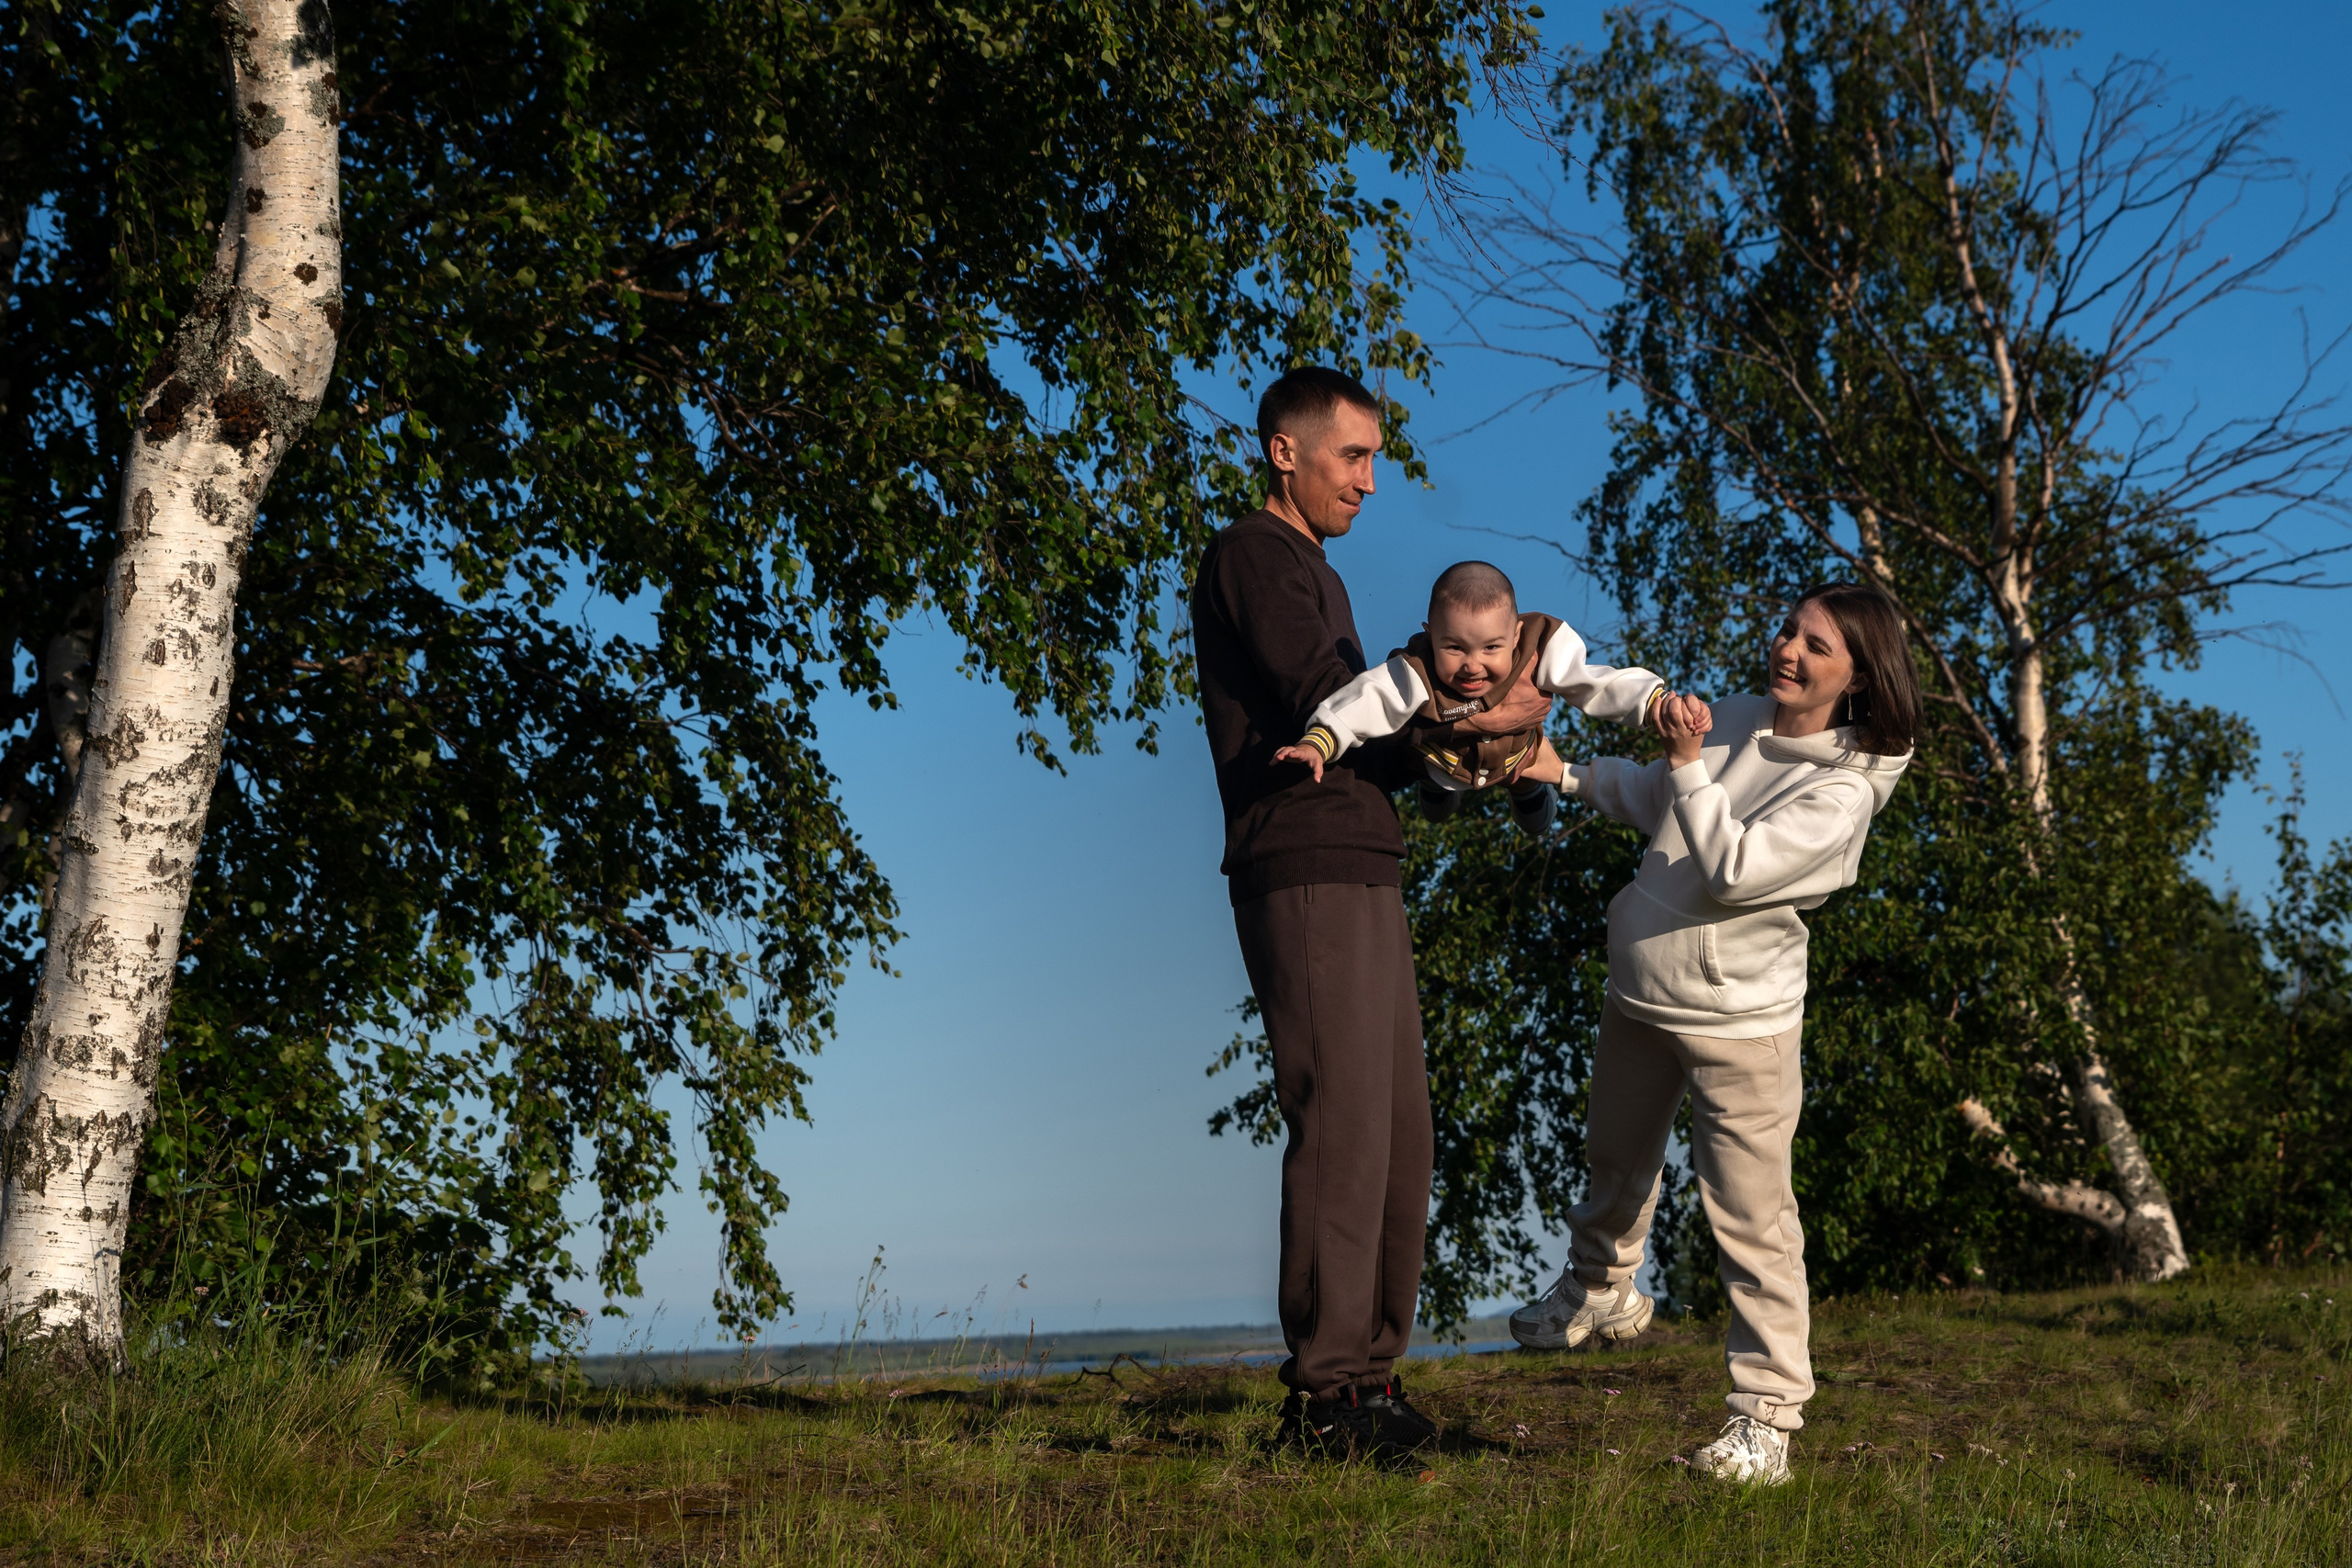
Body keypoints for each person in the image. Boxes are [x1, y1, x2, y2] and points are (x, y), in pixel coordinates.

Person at [1191, 367, 1550, 1459]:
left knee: (1400, 1135)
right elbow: (1324, 697)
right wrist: (1473, 706)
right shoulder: (1254, 556)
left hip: (1363, 859)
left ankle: (1374, 1383)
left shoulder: (1316, 568)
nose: (1371, 482)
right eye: (1353, 456)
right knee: (1342, 1120)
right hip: (1299, 863)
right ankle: (1325, 1399)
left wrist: (1483, 739)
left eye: (1375, 460)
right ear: (1282, 452)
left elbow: (1379, 742)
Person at [1507, 581, 1921, 1486]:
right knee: (1612, 1160)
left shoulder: (1842, 790)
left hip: (1742, 1026)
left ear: (1856, 678)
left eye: (1816, 646)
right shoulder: (1736, 717)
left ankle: (1764, 1424)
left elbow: (1732, 870)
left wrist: (1691, 764)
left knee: (1751, 1224)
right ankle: (1600, 1291)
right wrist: (1564, 774)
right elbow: (1660, 793)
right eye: (1787, 631)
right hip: (1640, 995)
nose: (1788, 651)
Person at [1272, 559, 1665, 840]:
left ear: (1515, 635)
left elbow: (1595, 683)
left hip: (1518, 754)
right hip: (1444, 760)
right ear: (1430, 637)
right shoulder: (1417, 670)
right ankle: (1434, 785)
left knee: (1534, 813)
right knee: (1437, 800)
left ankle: (1524, 789)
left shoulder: (1539, 647)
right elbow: (1368, 699)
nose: (1472, 666)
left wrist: (1653, 702)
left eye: (1491, 648)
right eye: (1455, 648)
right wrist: (1319, 741)